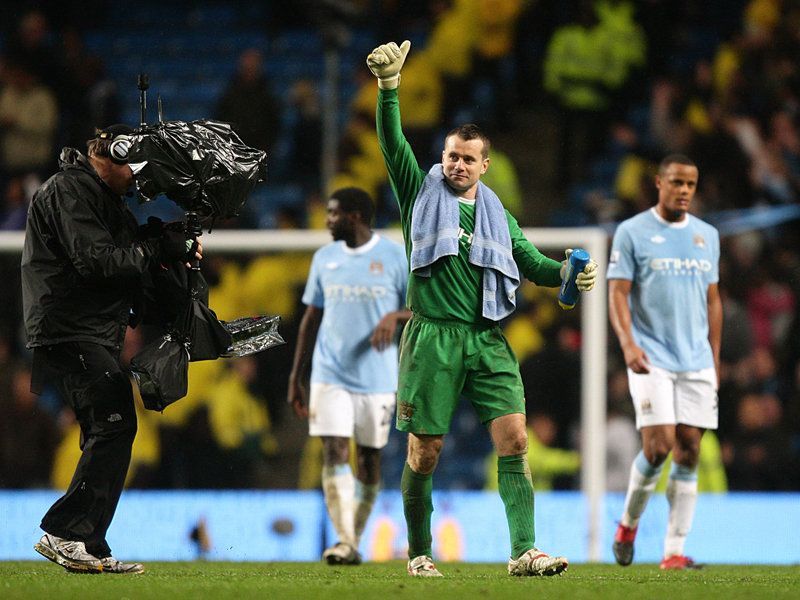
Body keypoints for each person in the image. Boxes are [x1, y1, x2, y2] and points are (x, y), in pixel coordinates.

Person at [366, 40, 598, 577]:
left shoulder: (500, 217)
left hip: (487, 338)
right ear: (442, 158)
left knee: (515, 440)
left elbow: (535, 266)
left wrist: (568, 274)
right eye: (451, 155)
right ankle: (419, 553)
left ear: (484, 166)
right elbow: (391, 143)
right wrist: (389, 90)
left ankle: (523, 552)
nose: (458, 165)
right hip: (432, 337)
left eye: (469, 158)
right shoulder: (418, 196)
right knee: (425, 453)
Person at [21, 124, 202, 574]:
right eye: (134, 166)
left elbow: (130, 264)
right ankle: (66, 532)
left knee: (112, 425)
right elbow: (100, 262)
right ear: (111, 156)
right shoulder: (68, 191)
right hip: (67, 328)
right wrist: (153, 246)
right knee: (115, 422)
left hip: (86, 330)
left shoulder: (103, 200)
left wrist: (171, 251)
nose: (139, 178)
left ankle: (87, 543)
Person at [607, 154, 722, 570]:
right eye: (676, 182)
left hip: (696, 361)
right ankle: (627, 525)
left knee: (689, 449)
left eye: (690, 184)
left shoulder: (707, 235)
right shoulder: (632, 232)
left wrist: (715, 358)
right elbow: (617, 292)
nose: (684, 191)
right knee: (659, 448)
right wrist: (628, 344)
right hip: (650, 356)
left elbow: (713, 300)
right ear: (659, 183)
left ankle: (673, 551)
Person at [288, 187, 410, 565]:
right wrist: (297, 376)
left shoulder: (393, 256)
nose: (326, 221)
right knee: (334, 450)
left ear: (355, 216)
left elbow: (421, 310)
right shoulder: (324, 258)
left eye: (332, 214)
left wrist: (393, 317)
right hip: (330, 373)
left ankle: (352, 538)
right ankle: (344, 540)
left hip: (377, 377)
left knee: (369, 460)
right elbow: (311, 319)